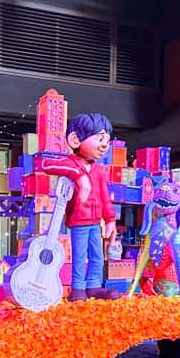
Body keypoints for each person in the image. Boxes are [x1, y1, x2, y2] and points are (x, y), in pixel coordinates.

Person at [41, 113, 121, 301]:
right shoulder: (71, 163)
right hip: (78, 221)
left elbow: (104, 197)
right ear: (76, 139)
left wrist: (110, 220)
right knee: (80, 255)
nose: (104, 145)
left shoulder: (99, 170)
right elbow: (46, 164)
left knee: (97, 256)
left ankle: (93, 286)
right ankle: (78, 288)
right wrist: (79, 176)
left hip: (96, 222)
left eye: (107, 140)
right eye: (100, 138)